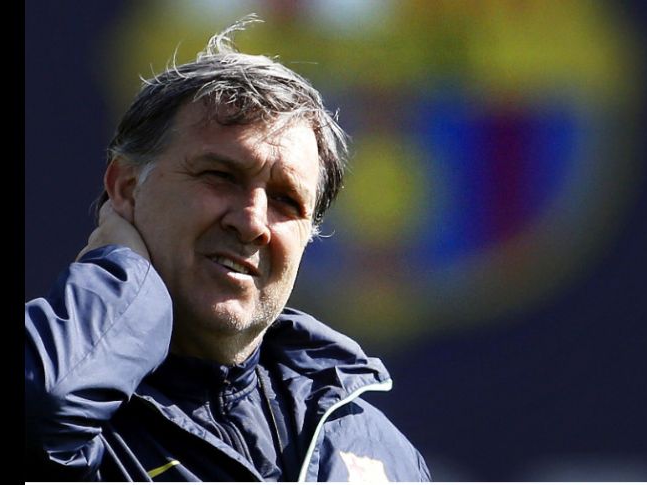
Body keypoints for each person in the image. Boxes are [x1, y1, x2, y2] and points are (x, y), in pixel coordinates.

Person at [25, 16, 430, 482]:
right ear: (126, 187)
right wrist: (124, 273)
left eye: (285, 201)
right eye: (220, 176)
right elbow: (43, 408)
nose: (253, 222)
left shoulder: (378, 453)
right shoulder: (77, 399)